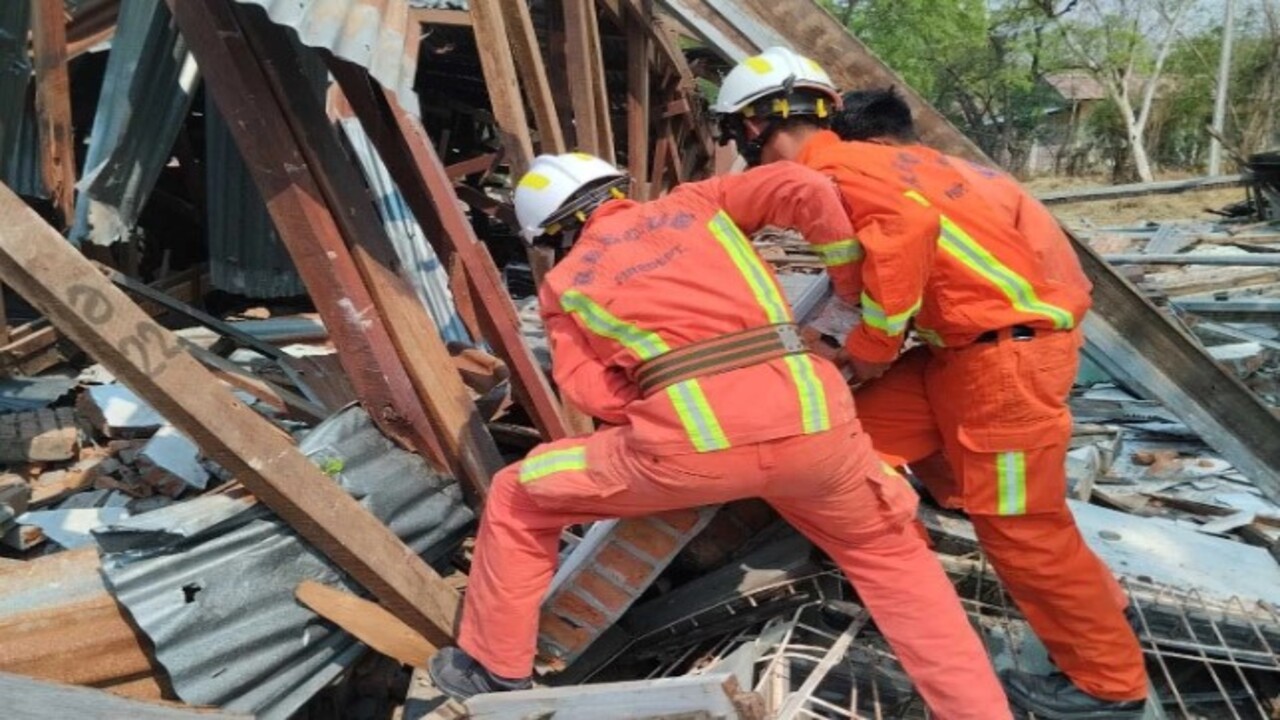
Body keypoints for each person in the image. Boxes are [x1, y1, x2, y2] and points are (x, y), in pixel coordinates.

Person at [427, 152, 1012, 719]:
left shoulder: (565, 282)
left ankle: (497, 667)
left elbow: (590, 392)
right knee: (895, 565)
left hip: (688, 450)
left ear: (551, 235)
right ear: (617, 190)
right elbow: (802, 187)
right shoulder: (699, 203)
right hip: (814, 424)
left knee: (519, 495)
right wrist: (847, 285)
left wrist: (670, 403)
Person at [711, 49, 1148, 719]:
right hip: (966, 356)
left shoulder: (832, 171)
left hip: (1000, 367)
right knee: (841, 443)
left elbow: (905, 233)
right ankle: (997, 596)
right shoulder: (906, 163)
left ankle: (1108, 683)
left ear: (750, 126)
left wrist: (871, 346)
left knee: (1021, 529)